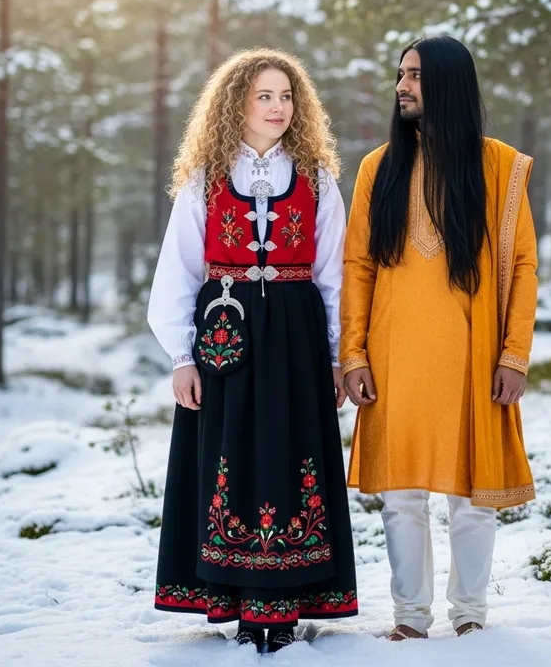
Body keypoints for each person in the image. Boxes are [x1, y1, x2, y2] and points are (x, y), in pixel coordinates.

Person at [148, 49, 358, 654]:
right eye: (264, 95)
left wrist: (339, 356)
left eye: (286, 96)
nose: (277, 107)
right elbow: (179, 271)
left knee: (293, 457)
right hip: (225, 333)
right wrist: (182, 357)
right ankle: (239, 602)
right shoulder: (204, 179)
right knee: (229, 457)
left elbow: (334, 275)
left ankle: (288, 604)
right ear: (236, 101)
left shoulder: (317, 176)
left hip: (295, 334)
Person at [340, 35, 537, 640]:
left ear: (447, 84)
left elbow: (524, 264)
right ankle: (410, 617)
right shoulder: (380, 167)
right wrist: (352, 354)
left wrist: (514, 354)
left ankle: (471, 614)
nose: (402, 86)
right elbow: (358, 266)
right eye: (400, 74)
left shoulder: (500, 167)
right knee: (400, 494)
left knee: (472, 496)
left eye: (415, 76)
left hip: (475, 356)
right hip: (394, 356)